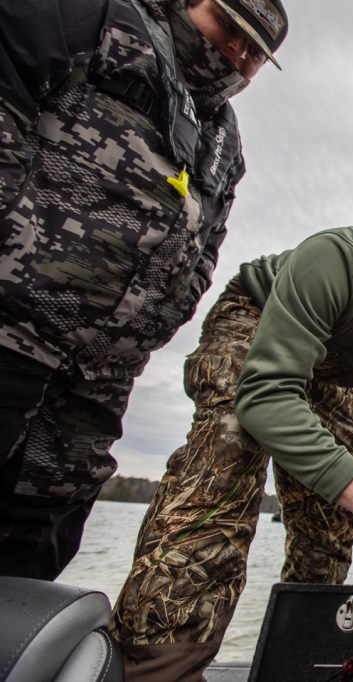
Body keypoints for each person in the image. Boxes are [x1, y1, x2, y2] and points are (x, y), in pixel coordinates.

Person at [110, 194, 353, 680]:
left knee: (331, 523)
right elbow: (266, 395)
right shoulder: (336, 261)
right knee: (221, 485)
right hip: (256, 326)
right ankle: (156, 667)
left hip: (331, 370)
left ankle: (302, 658)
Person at [0, 0, 288, 582]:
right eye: (228, 27)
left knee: (40, 537)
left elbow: (209, 240)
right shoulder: (93, 19)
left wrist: (166, 314)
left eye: (256, 53)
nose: (237, 53)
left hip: (101, 375)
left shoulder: (224, 140)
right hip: (14, 332)